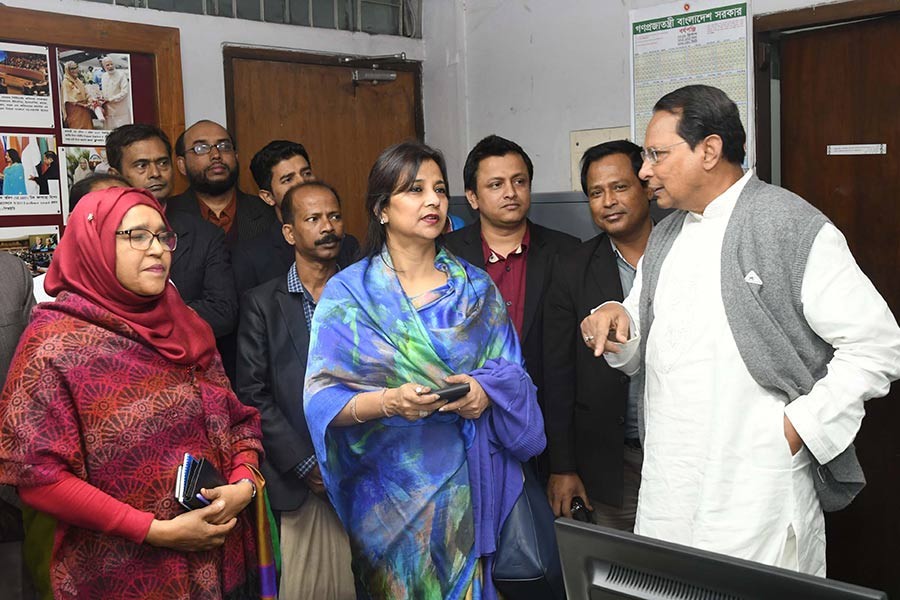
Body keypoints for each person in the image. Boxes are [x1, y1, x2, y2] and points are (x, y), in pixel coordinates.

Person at [581, 85, 900, 575]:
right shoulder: (665, 235)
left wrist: (797, 430)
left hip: (756, 489)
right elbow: (640, 336)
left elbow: (877, 346)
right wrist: (616, 318)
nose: (644, 170)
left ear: (709, 150)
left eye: (657, 155)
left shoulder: (788, 224)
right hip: (671, 482)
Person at [304, 141, 546, 599]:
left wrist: (483, 391)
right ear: (382, 209)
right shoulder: (349, 295)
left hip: (467, 488)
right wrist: (389, 402)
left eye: (439, 188)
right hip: (383, 502)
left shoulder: (475, 288)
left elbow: (514, 376)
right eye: (414, 190)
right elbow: (321, 400)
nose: (433, 200)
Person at [0, 187, 264, 599]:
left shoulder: (185, 324)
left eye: (163, 236)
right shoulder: (53, 346)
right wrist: (155, 532)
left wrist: (244, 483)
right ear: (95, 245)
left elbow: (238, 422)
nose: (157, 249)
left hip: (218, 564)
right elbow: (39, 478)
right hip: (119, 575)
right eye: (137, 236)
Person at [237, 182, 355, 599]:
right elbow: (252, 394)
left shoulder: (365, 293)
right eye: (313, 219)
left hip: (371, 471)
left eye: (335, 216)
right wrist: (307, 465)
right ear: (289, 233)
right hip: (304, 481)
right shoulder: (263, 303)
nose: (328, 228)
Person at [443, 134, 579, 479]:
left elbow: (570, 366)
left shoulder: (567, 252)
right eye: (496, 184)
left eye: (520, 181)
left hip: (545, 430)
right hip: (466, 430)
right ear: (472, 198)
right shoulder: (445, 256)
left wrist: (564, 464)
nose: (511, 192)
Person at [544, 140, 654, 531]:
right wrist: (563, 466)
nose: (608, 201)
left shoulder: (684, 253)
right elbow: (557, 374)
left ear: (646, 186)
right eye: (595, 192)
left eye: (620, 187)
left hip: (684, 452)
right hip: (611, 463)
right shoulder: (572, 268)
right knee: (620, 582)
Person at [106, 124, 238, 338]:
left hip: (185, 358)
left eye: (162, 163)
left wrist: (148, 320)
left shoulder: (205, 234)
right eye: (141, 165)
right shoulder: (104, 232)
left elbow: (222, 312)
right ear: (116, 174)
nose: (155, 173)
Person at [233, 140, 359, 297]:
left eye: (306, 173)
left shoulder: (346, 245)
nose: (302, 182)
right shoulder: (251, 257)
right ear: (268, 197)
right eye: (288, 179)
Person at [168, 120, 277, 247]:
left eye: (224, 146)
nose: (216, 155)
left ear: (236, 157)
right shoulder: (168, 215)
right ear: (182, 165)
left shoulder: (269, 212)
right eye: (201, 148)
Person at [99, 57, 131, 130]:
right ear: (104, 67)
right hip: (108, 110)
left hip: (120, 110)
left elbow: (125, 92)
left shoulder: (121, 75)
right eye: (107, 65)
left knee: (122, 132)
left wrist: (111, 99)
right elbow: (104, 90)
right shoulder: (104, 76)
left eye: (111, 64)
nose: (110, 66)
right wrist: (101, 97)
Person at [60, 61, 94, 130]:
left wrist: (90, 100)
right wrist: (83, 105)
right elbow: (69, 100)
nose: (75, 70)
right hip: (74, 111)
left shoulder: (78, 81)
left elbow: (86, 92)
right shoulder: (65, 82)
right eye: (72, 69)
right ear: (67, 70)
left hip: (85, 111)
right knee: (77, 131)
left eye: (76, 68)